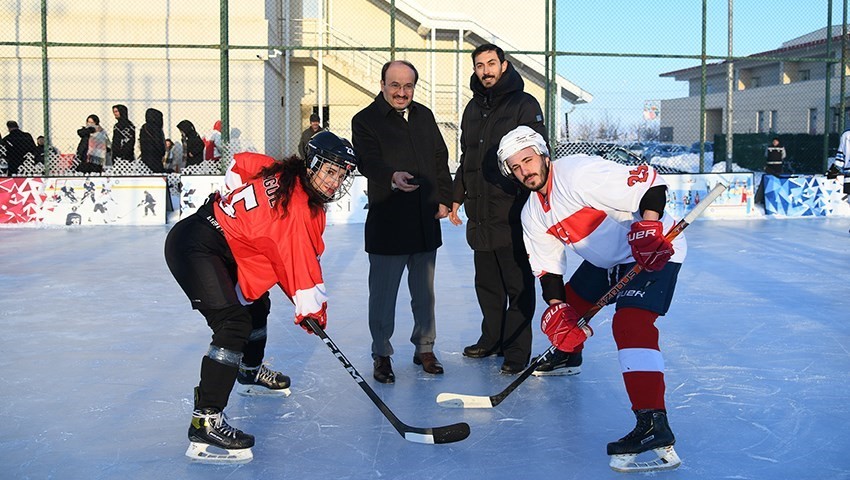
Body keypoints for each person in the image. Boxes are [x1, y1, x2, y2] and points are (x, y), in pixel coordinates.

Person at [497, 125, 684, 472]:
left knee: (630, 323)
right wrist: (559, 311)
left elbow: (651, 184)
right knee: (568, 306)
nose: (524, 170)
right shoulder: (532, 213)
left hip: (653, 249)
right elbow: (548, 270)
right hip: (608, 262)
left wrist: (649, 227)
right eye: (516, 166)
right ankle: (569, 356)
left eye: (527, 159)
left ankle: (653, 424)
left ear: (542, 154)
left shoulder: (578, 174)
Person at [164, 130, 358, 464]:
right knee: (232, 323)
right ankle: (205, 420)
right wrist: (313, 313)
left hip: (217, 241)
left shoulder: (283, 171)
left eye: (341, 175)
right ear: (311, 165)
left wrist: (227, 197)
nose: (334, 181)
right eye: (329, 171)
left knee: (257, 305)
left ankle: (249, 371)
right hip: (196, 247)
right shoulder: (298, 208)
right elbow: (300, 267)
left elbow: (242, 164)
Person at [351, 60, 453, 383]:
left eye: (407, 86)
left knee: (424, 294)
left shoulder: (423, 115)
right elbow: (366, 161)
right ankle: (381, 353)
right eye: (394, 85)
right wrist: (390, 177)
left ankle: (425, 347)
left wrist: (444, 197)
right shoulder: (365, 120)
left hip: (424, 219)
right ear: (382, 85)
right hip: (389, 222)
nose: (401, 92)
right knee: (383, 296)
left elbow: (440, 156)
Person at [448, 43, 543, 375]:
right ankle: (492, 339)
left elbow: (535, 159)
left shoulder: (524, 104)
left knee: (517, 286)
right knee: (487, 285)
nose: (485, 70)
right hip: (481, 214)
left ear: (504, 66)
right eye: (479, 65)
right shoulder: (473, 109)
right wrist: (457, 196)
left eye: (491, 63)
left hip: (513, 214)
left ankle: (517, 350)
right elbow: (466, 160)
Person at [139, 108, 166, 173]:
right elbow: (159, 143)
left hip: (145, 157)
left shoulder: (144, 127)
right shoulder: (157, 128)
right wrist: (162, 152)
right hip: (156, 158)